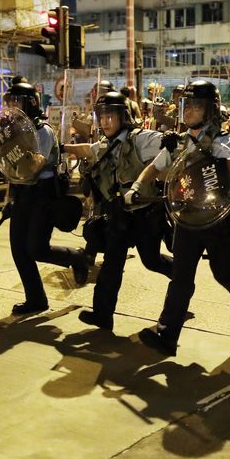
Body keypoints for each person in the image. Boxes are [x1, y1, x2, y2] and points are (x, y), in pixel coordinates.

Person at [126, 80, 230, 356]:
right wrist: (136, 189)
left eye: (196, 106)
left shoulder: (223, 143)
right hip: (187, 219)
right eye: (186, 105)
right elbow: (155, 167)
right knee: (181, 275)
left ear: (210, 110)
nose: (188, 111)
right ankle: (168, 333)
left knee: (224, 273)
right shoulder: (177, 143)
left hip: (216, 221)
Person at [63, 91, 173, 330]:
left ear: (123, 116)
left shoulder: (140, 139)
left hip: (143, 214)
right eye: (101, 117)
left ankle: (180, 277)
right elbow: (87, 150)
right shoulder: (104, 145)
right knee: (111, 265)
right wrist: (60, 147)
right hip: (118, 216)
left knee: (151, 260)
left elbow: (166, 143)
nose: (105, 122)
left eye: (110, 116)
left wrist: (172, 135)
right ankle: (102, 314)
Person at [2, 76, 90, 315]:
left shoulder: (42, 131)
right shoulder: (15, 131)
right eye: (11, 102)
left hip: (42, 195)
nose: (13, 107)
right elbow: (11, 170)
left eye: (18, 101)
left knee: (36, 248)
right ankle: (36, 299)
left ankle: (76, 256)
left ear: (31, 102)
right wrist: (9, 199)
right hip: (22, 193)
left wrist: (17, 152)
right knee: (19, 251)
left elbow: (35, 165)